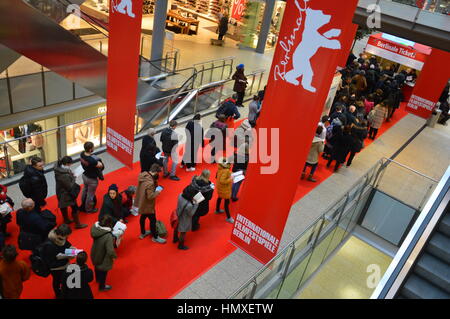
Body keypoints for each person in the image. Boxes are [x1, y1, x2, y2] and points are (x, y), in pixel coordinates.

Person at [42, 224, 75, 299]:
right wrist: (66, 258)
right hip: (56, 268)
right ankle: (58, 294)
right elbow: (51, 262)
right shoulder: (49, 245)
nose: (67, 238)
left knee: (63, 280)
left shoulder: (60, 238)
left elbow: (65, 244)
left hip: (63, 264)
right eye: (66, 236)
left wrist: (71, 249)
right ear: (60, 234)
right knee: (57, 281)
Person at [135, 164, 166, 243]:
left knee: (143, 217)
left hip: (142, 201)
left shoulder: (143, 175)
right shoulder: (150, 183)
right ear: (155, 172)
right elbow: (150, 196)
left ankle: (143, 232)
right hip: (148, 204)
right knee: (153, 220)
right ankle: (155, 237)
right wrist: (158, 191)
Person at [54, 156, 87, 229]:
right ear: (66, 164)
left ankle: (66, 219)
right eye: (70, 164)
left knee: (63, 206)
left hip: (60, 191)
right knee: (74, 207)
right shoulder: (64, 175)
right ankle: (78, 224)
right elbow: (70, 186)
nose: (71, 165)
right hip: (66, 194)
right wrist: (74, 177)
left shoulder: (58, 168)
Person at [91, 215, 117, 291]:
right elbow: (110, 250)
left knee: (96, 266)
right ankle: (102, 287)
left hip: (95, 251)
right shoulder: (108, 236)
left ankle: (98, 279)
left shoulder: (95, 228)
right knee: (104, 271)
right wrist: (114, 256)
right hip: (104, 256)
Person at [80, 142, 104, 213]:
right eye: (93, 147)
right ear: (90, 150)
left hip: (84, 176)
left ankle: (83, 202)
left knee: (85, 190)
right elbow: (101, 165)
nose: (94, 148)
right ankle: (89, 209)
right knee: (90, 195)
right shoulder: (92, 160)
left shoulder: (82, 154)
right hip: (92, 179)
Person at [173, 185, 199, 250]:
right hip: (185, 219)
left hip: (178, 213)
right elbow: (191, 214)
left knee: (176, 226)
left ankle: (175, 238)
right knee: (183, 232)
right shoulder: (189, 205)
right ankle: (181, 245)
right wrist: (196, 204)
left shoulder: (180, 195)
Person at [215, 157, 234, 224]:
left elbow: (217, 177)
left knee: (219, 198)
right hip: (225, 189)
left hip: (220, 188)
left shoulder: (220, 169)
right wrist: (230, 179)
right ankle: (228, 217)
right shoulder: (226, 171)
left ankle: (217, 210)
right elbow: (222, 181)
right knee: (226, 203)